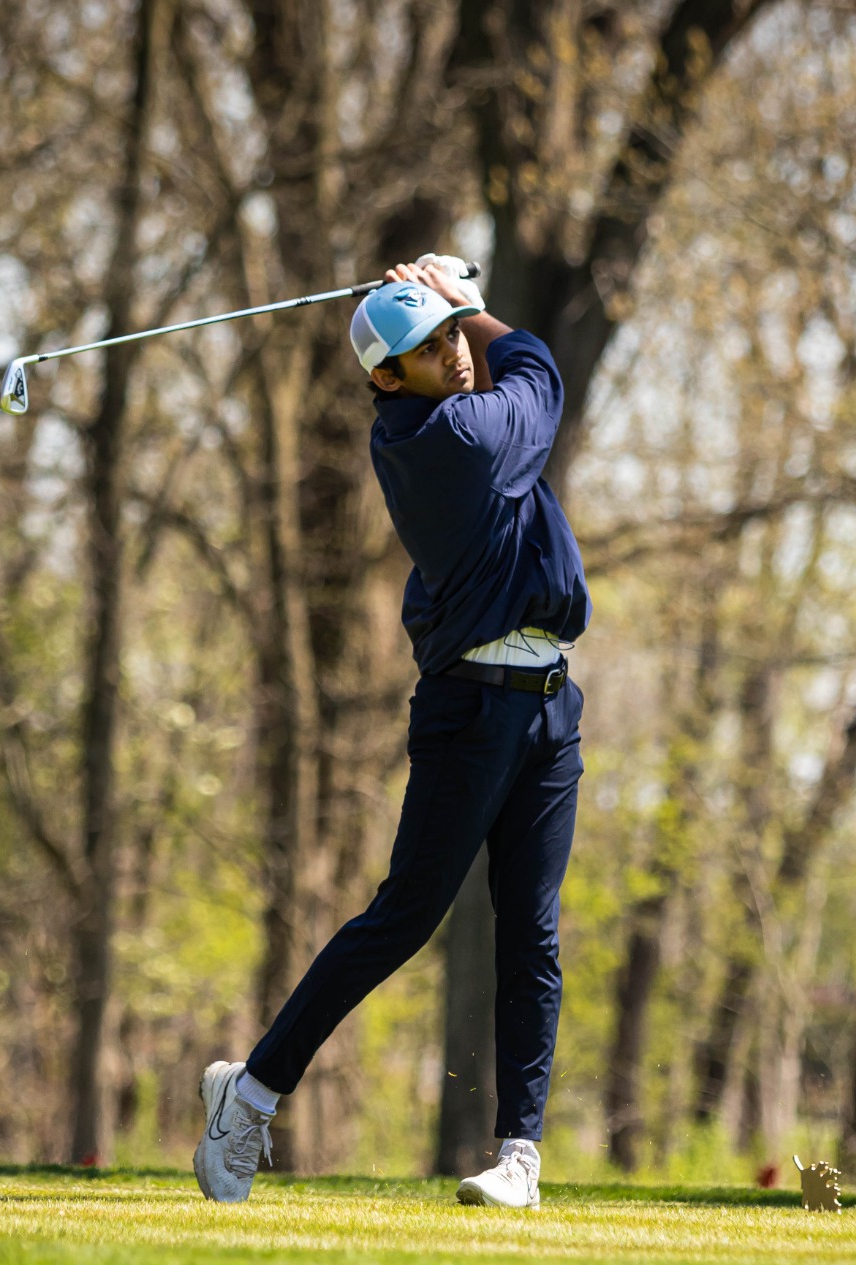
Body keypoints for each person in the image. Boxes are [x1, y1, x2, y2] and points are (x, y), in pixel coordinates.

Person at [193, 256, 590, 1209]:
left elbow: (519, 377)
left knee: (532, 932)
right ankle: (251, 1093)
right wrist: (471, 301)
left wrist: (446, 304)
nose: (454, 354)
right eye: (429, 347)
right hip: (474, 710)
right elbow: (540, 373)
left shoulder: (459, 417)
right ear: (387, 377)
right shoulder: (450, 437)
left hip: (549, 705)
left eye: (452, 338)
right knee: (405, 915)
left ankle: (520, 1155)